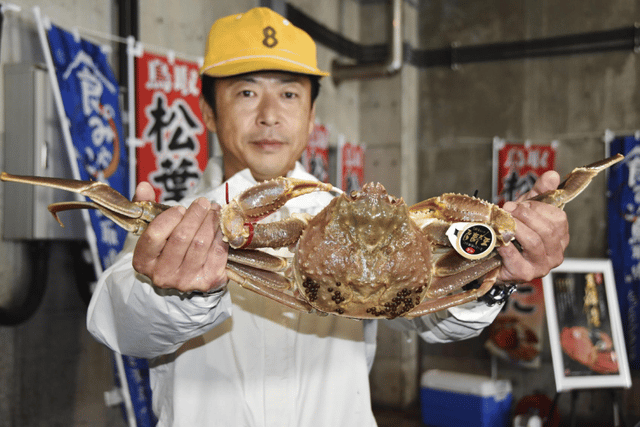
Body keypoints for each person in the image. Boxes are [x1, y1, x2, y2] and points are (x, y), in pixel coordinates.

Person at [87, 7, 569, 427]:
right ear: (209, 112)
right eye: (246, 93)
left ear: (313, 114)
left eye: (290, 94)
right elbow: (121, 321)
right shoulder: (178, 227)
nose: (270, 115)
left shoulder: (361, 215)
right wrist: (176, 292)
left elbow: (432, 320)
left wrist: (493, 270)